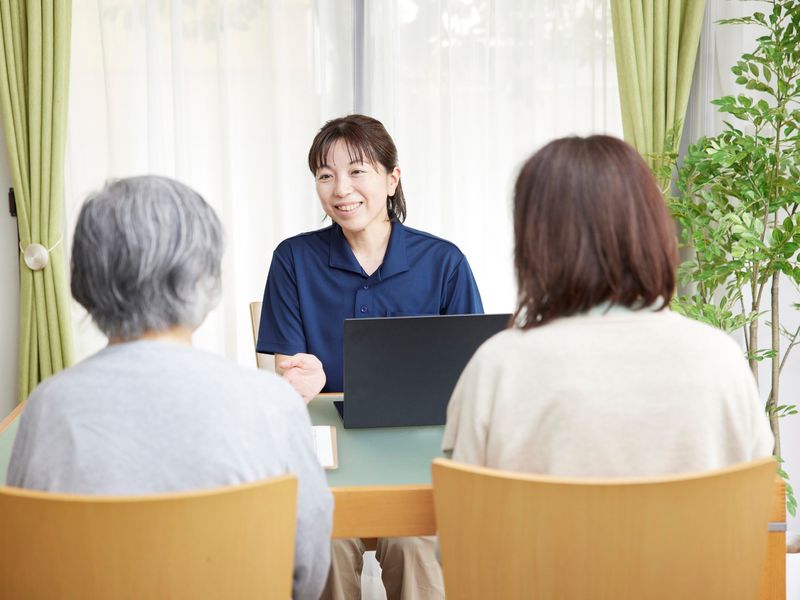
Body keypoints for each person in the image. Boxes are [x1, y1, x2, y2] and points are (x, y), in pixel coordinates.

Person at [7, 175, 333, 600]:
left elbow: (23, 562)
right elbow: (307, 573)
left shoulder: (48, 405)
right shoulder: (272, 403)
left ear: (85, 281)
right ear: (205, 279)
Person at [443, 135, 774, 476]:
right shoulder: (719, 359)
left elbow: (463, 513)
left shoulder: (498, 367)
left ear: (534, 243)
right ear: (652, 229)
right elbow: (756, 499)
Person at [258, 114, 483, 600]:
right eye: (325, 175)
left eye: (357, 171)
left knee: (417, 545)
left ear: (391, 178)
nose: (341, 189)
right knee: (324, 548)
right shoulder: (292, 260)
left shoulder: (444, 262)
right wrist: (298, 379)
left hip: (417, 459)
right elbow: (287, 377)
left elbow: (471, 378)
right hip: (326, 461)